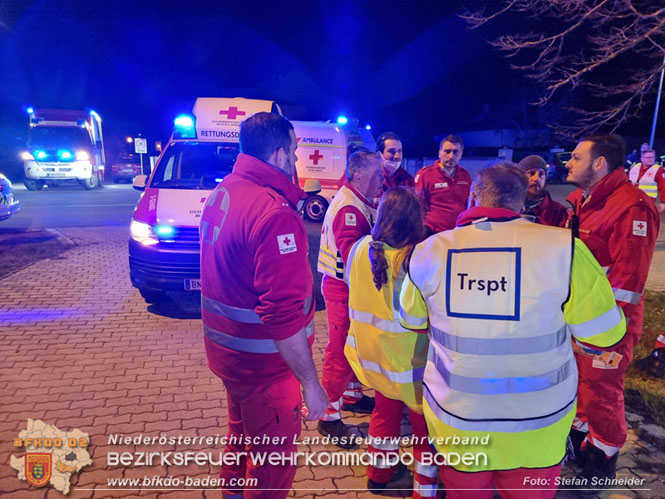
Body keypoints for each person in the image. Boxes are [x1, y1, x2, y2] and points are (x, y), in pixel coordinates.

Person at [400, 164, 626, 499]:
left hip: (459, 419)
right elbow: (604, 335)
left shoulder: (429, 251)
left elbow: (412, 321)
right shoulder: (567, 250)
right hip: (539, 423)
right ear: (522, 204)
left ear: (472, 197)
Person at [200, 112, 328, 498]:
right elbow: (283, 314)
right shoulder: (275, 214)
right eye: (293, 152)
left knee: (239, 442)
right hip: (267, 370)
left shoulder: (225, 191)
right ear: (278, 155)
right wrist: (311, 384)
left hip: (230, 360)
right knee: (272, 470)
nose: (296, 160)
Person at [565, 134, 659, 491]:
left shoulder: (631, 207)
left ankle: (602, 460)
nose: (568, 163)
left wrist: (608, 332)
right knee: (582, 387)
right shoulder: (582, 201)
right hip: (579, 319)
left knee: (603, 392)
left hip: (609, 324)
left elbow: (628, 281)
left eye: (576, 157)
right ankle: (582, 437)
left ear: (599, 162)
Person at [345, 187, 436, 497]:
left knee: (384, 414)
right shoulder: (418, 256)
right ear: (415, 220)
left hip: (373, 357)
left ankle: (380, 473)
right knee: (426, 428)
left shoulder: (359, 249)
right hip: (412, 363)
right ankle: (426, 489)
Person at [317, 150, 384, 446]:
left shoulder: (355, 200)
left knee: (351, 344)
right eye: (377, 174)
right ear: (359, 176)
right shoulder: (350, 210)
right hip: (342, 291)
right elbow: (355, 259)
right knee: (341, 351)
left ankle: (352, 395)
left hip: (343, 287)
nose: (382, 179)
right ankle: (328, 415)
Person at [415, 134, 471, 235]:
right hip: (433, 233)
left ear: (461, 154)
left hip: (458, 232)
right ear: (439, 153)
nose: (451, 156)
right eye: (447, 151)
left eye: (455, 152)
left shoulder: (465, 176)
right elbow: (418, 205)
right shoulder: (425, 175)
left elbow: (468, 203)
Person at [516, 155, 568, 226]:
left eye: (541, 174)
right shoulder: (510, 207)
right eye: (532, 173)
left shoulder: (559, 211)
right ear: (520, 177)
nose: (536, 178)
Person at [628, 148, 665, 212]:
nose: (650, 159)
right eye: (648, 157)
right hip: (631, 199)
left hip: (647, 202)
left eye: (652, 157)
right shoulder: (635, 167)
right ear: (642, 158)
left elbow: (663, 186)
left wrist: (663, 202)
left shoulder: (659, 170)